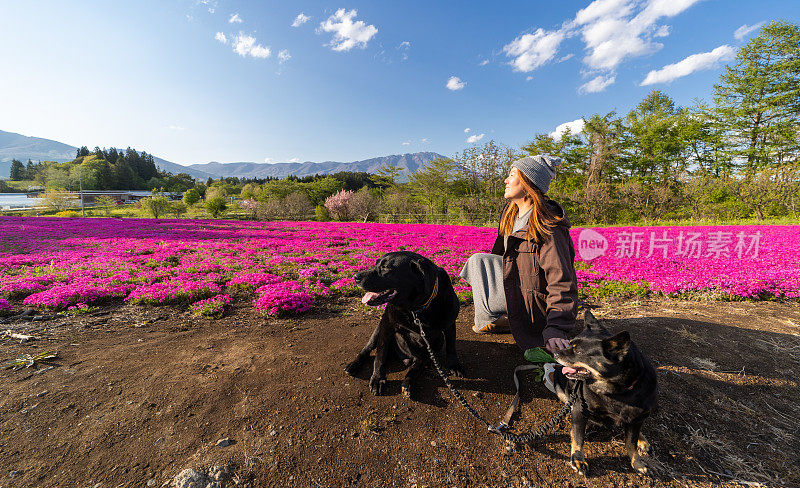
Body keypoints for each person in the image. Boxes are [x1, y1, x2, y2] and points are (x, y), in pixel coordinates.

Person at [459, 154, 578, 354]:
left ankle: (517, 321)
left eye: (512, 174)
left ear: (528, 182)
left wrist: (557, 328)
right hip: (518, 286)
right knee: (478, 261)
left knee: (483, 265)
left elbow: (561, 278)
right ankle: (497, 319)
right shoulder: (511, 212)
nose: (506, 180)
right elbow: (501, 256)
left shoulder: (547, 225)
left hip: (534, 302)